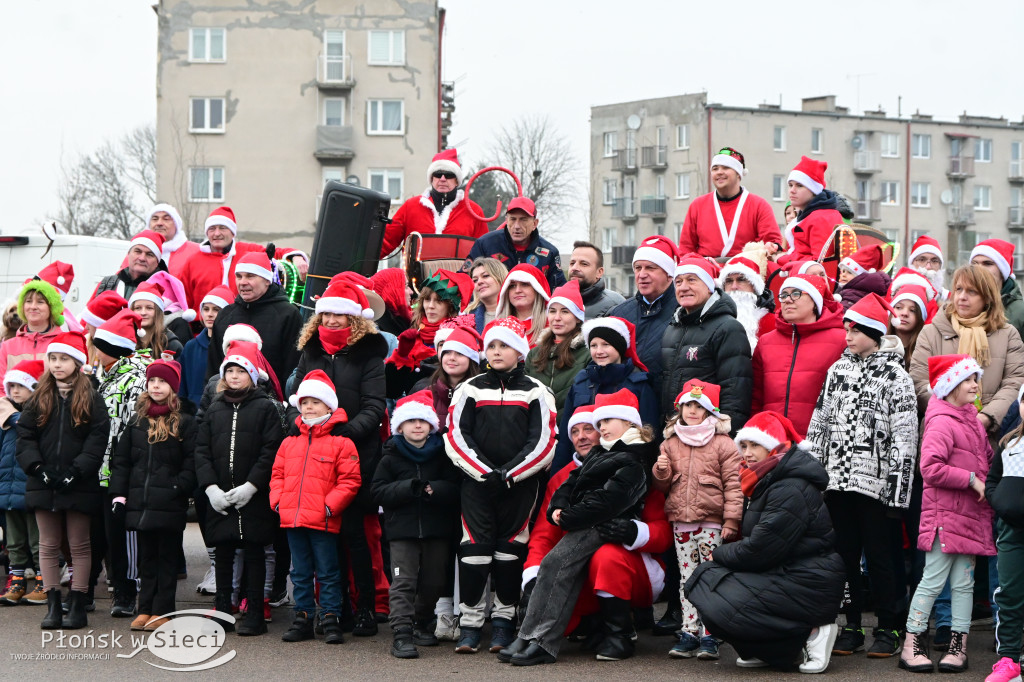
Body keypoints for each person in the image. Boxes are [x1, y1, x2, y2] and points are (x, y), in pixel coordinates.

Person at [683, 411, 846, 673]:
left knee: (708, 580)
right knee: (707, 581)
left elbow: (761, 549)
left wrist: (720, 554)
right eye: (744, 445)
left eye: (755, 445)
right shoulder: (767, 480)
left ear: (775, 446)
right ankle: (770, 650)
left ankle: (815, 631)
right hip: (787, 572)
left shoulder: (789, 487)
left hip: (809, 580)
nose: (746, 453)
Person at [503, 389, 656, 667]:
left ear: (629, 423)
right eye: (601, 423)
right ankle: (528, 637)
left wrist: (568, 517)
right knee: (553, 564)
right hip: (587, 521)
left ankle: (542, 643)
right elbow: (570, 483)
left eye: (608, 421)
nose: (603, 428)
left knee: (557, 564)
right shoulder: (601, 453)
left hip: (604, 525)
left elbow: (609, 501)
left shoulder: (636, 457)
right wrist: (557, 509)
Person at [804, 293, 919, 658]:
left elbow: (905, 438)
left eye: (855, 330)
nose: (848, 336)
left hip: (877, 489)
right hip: (836, 484)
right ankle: (850, 622)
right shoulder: (837, 370)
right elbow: (819, 423)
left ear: (873, 332)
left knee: (882, 557)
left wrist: (898, 496)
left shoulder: (896, 376)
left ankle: (889, 625)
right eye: (846, 329)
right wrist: (813, 477)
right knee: (844, 555)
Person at [444, 316, 557, 655]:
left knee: (510, 552)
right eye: (491, 345)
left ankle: (504, 623)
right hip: (477, 485)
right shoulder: (470, 388)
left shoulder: (538, 391)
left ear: (519, 352)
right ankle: (470, 624)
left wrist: (508, 474)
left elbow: (544, 442)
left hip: (518, 486)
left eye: (504, 345)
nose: (495, 351)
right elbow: (454, 435)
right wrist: (485, 473)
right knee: (474, 552)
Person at [288, 280, 387, 635]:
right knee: (324, 535)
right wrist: (301, 426)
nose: (331, 320)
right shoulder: (310, 352)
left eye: (339, 314)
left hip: (355, 455)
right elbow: (296, 400)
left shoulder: (369, 355)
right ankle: (336, 607)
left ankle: (365, 609)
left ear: (355, 319)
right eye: (326, 313)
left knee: (355, 535)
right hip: (314, 456)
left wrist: (341, 435)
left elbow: (375, 407)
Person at [900, 354, 996, 673]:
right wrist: (971, 479)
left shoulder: (970, 417)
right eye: (968, 379)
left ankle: (958, 645)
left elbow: (983, 457)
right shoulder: (941, 420)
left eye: (975, 379)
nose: (975, 385)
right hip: (945, 518)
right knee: (932, 581)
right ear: (951, 384)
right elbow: (930, 468)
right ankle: (911, 642)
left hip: (970, 516)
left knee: (964, 584)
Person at [16, 331, 109, 630]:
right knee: (48, 544)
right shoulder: (39, 397)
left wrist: (76, 471)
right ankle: (54, 606)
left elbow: (97, 440)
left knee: (80, 544)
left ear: (77, 362)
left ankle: (78, 605)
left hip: (79, 483)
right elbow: (26, 437)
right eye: (53, 358)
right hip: (43, 482)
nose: (57, 364)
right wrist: (38, 468)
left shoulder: (91, 398)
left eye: (64, 359)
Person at [195, 341, 284, 636]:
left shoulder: (265, 408)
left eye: (240, 371)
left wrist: (252, 486)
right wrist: (210, 488)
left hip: (253, 495)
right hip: (220, 493)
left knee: (255, 551)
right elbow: (202, 450)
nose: (234, 376)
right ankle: (223, 608)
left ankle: (255, 612)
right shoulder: (214, 409)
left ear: (252, 375)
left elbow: (271, 450)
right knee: (223, 551)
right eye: (229, 370)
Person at [271, 370, 361, 645]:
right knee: (299, 571)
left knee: (328, 571)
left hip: (322, 519)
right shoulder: (289, 443)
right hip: (292, 518)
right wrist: (277, 501)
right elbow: (277, 475)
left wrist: (329, 507)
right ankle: (303, 618)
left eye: (315, 402)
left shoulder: (341, 443)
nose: (309, 408)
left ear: (329, 406)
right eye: (305, 403)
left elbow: (350, 480)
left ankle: (330, 617)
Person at [653, 380, 741, 660]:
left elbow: (734, 485)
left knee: (711, 578)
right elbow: (663, 487)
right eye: (688, 405)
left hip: (712, 522)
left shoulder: (723, 443)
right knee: (687, 578)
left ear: (709, 411)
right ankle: (689, 631)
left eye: (699, 405)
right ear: (680, 408)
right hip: (682, 523)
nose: (692, 410)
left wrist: (731, 521)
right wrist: (661, 471)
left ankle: (711, 633)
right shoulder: (670, 442)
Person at [372, 389, 461, 659]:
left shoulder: (443, 454)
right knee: (403, 581)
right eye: (411, 421)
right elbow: (377, 492)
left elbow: (458, 488)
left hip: (437, 529)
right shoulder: (390, 456)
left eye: (422, 421)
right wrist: (408, 488)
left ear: (432, 425)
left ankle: (422, 621)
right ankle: (401, 632)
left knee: (434, 581)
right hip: (402, 532)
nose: (417, 425)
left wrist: (437, 489)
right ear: (400, 426)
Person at [109, 360, 196, 632]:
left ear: (173, 387)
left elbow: (191, 462)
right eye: (152, 381)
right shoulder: (137, 421)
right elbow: (122, 462)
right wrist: (119, 496)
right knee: (146, 558)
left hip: (169, 502)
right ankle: (144, 608)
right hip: (141, 503)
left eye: (162, 382)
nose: (156, 386)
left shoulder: (184, 422)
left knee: (167, 558)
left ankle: (163, 610)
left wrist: (178, 487)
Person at [910, 265, 1024, 443]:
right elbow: (919, 382)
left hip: (990, 437)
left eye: (972, 291)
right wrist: (953, 415)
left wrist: (986, 417)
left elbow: (1015, 382)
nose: (962, 297)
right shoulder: (931, 332)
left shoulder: (1008, 334)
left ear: (987, 297)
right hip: (941, 436)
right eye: (958, 289)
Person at [92, 309, 151, 618]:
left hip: (120, 469)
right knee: (104, 533)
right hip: (99, 468)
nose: (94, 351)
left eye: (99, 346)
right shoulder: (104, 377)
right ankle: (116, 586)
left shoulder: (135, 379)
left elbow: (131, 425)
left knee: (123, 533)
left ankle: (128, 592)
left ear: (112, 350)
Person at [555, 316, 660, 472]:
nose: (599, 351)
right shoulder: (580, 383)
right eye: (593, 345)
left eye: (606, 344)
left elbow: (649, 435)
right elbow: (565, 436)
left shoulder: (638, 384)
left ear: (619, 347)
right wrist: (558, 474)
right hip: (582, 467)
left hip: (623, 469)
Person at [660, 253, 753, 430]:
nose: (683, 287)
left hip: (709, 437)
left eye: (692, 280)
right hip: (676, 432)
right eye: (678, 282)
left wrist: (725, 435)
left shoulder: (728, 328)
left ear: (710, 286)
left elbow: (735, 390)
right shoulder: (672, 328)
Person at [752, 273, 847, 436]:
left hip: (819, 442)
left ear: (814, 302)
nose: (788, 300)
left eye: (796, 293)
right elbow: (755, 398)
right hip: (773, 441)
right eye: (784, 295)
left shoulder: (841, 340)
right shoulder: (766, 342)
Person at [207, 250, 304, 389]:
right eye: (239, 277)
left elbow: (293, 367)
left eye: (250, 276)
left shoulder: (288, 314)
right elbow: (214, 367)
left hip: (271, 401)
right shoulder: (225, 315)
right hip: (227, 402)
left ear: (267, 280)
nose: (242, 282)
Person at [178, 206, 307, 308]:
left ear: (232, 232)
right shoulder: (193, 261)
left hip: (243, 323)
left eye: (222, 228)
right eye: (212, 229)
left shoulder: (247, 252)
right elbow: (182, 299)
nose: (217, 233)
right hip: (203, 329)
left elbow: (275, 253)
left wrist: (296, 257)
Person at [608, 235, 680, 400]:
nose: (641, 274)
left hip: (667, 406)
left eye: (650, 268)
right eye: (638, 267)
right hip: (625, 404)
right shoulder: (619, 313)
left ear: (669, 274)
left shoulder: (684, 311)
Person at [378, 149, 488, 257]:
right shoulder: (411, 206)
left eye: (449, 175)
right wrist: (362, 261)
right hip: (414, 274)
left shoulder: (473, 211)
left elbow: (485, 251)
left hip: (458, 274)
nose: (443, 179)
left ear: (457, 180)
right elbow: (385, 242)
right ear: (432, 178)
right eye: (438, 174)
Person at [678, 147, 782, 258]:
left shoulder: (759, 205)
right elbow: (686, 248)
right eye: (715, 169)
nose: (719, 172)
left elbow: (773, 242)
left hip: (747, 269)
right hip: (706, 270)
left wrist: (771, 246)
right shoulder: (697, 206)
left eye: (726, 167)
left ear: (738, 174)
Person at [984, 392, 1024, 682]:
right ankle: (1009, 659)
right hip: (1011, 533)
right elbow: (992, 480)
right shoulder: (1009, 444)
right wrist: (1000, 502)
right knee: (1009, 595)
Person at [0, 360, 45, 606]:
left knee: (37, 540)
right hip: (8, 490)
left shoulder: (40, 417)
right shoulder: (6, 420)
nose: (15, 391)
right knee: (14, 541)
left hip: (30, 488)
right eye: (11, 386)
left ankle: (43, 581)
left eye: (21, 386)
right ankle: (16, 581)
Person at [386, 269, 470, 398]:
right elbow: (392, 391)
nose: (430, 306)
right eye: (427, 299)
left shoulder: (459, 337)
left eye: (439, 301)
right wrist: (401, 356)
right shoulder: (414, 336)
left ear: (450, 306)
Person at [462, 196, 566, 293]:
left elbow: (559, 291)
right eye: (513, 219)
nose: (516, 226)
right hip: (491, 309)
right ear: (506, 220)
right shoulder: (485, 244)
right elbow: (464, 277)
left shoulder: (549, 252)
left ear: (534, 223)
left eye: (523, 220)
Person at [526, 280, 590, 412]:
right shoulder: (534, 354)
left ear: (578, 317)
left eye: (565, 312)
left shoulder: (588, 353)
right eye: (552, 311)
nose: (557, 318)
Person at [0, 278, 64, 398]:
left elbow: (73, 386)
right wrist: (13, 415)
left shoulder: (64, 343)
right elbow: (0, 389)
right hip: (15, 413)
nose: (33, 307)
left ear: (52, 307)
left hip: (53, 414)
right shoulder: (7, 346)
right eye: (28, 301)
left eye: (40, 302)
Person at [777, 156, 846, 266]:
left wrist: (782, 258)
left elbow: (820, 263)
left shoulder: (821, 217)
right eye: (790, 185)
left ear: (814, 190)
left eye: (799, 186)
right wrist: (778, 251)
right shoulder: (810, 215)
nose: (792, 190)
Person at [179, 285, 230, 408]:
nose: (210, 314)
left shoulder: (231, 347)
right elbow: (182, 387)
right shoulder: (191, 347)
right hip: (193, 413)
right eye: (206, 309)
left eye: (216, 310)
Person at [718, 246, 776, 349]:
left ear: (754, 286)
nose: (734, 286)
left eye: (741, 280)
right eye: (729, 281)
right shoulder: (714, 321)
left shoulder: (773, 322)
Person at [971, 239, 1024, 341]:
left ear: (1002, 271)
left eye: (987, 264)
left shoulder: (1020, 312)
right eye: (974, 263)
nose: (979, 269)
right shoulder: (962, 305)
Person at [94, 230, 168, 301]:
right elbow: (88, 313)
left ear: (157, 262)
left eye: (149, 254)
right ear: (128, 254)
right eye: (138, 252)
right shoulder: (108, 284)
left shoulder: (166, 290)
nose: (142, 258)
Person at [495, 263, 551, 348]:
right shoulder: (495, 327)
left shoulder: (553, 325)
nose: (517, 290)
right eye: (512, 286)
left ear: (538, 289)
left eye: (524, 284)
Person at [567, 241, 625, 319]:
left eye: (584, 264)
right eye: (572, 263)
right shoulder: (560, 302)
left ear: (599, 272)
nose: (574, 268)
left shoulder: (615, 305)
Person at [128, 282, 185, 359]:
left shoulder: (172, 345)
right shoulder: (123, 341)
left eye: (149, 308)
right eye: (138, 308)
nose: (143, 313)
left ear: (158, 312)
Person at [145, 203, 200, 278]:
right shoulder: (137, 251)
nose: (159, 223)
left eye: (166, 219)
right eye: (155, 219)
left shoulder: (195, 252)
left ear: (176, 224)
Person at [836, 244, 892, 310]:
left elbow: (840, 314)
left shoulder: (853, 294)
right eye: (843, 271)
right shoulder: (850, 291)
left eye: (850, 272)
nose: (843, 275)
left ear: (862, 277)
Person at [890, 284, 931, 372]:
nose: (904, 313)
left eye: (912, 310)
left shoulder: (925, 351)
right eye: (899, 307)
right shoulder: (877, 345)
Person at [465, 257, 509, 333]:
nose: (479, 282)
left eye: (485, 276)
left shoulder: (520, 312)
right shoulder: (467, 319)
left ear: (501, 277)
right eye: (475, 280)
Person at [369, 268, 414, 337]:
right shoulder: (380, 332)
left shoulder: (398, 321)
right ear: (391, 291)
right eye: (406, 286)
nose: (411, 292)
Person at [907, 234, 948, 301]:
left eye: (934, 261)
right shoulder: (896, 294)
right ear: (912, 263)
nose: (928, 267)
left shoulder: (950, 298)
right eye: (922, 260)